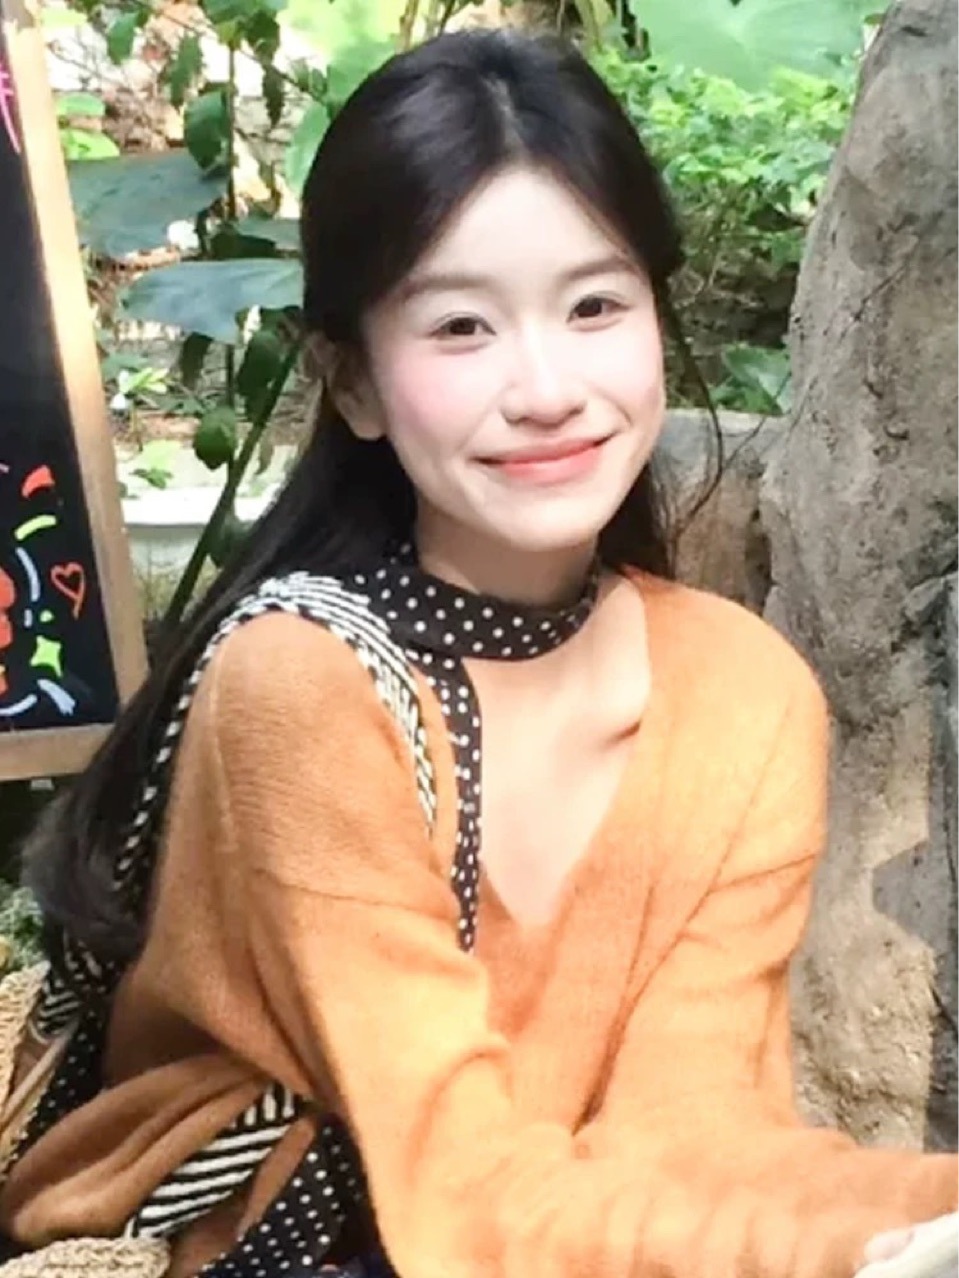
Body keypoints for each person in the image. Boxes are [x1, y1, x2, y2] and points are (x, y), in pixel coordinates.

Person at [0, 28, 954, 1278]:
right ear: (353, 384)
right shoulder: (301, 684)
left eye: (594, 305)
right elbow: (455, 1180)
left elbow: (695, 1141)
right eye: (460, 326)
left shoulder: (743, 693)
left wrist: (896, 1222)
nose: (546, 388)